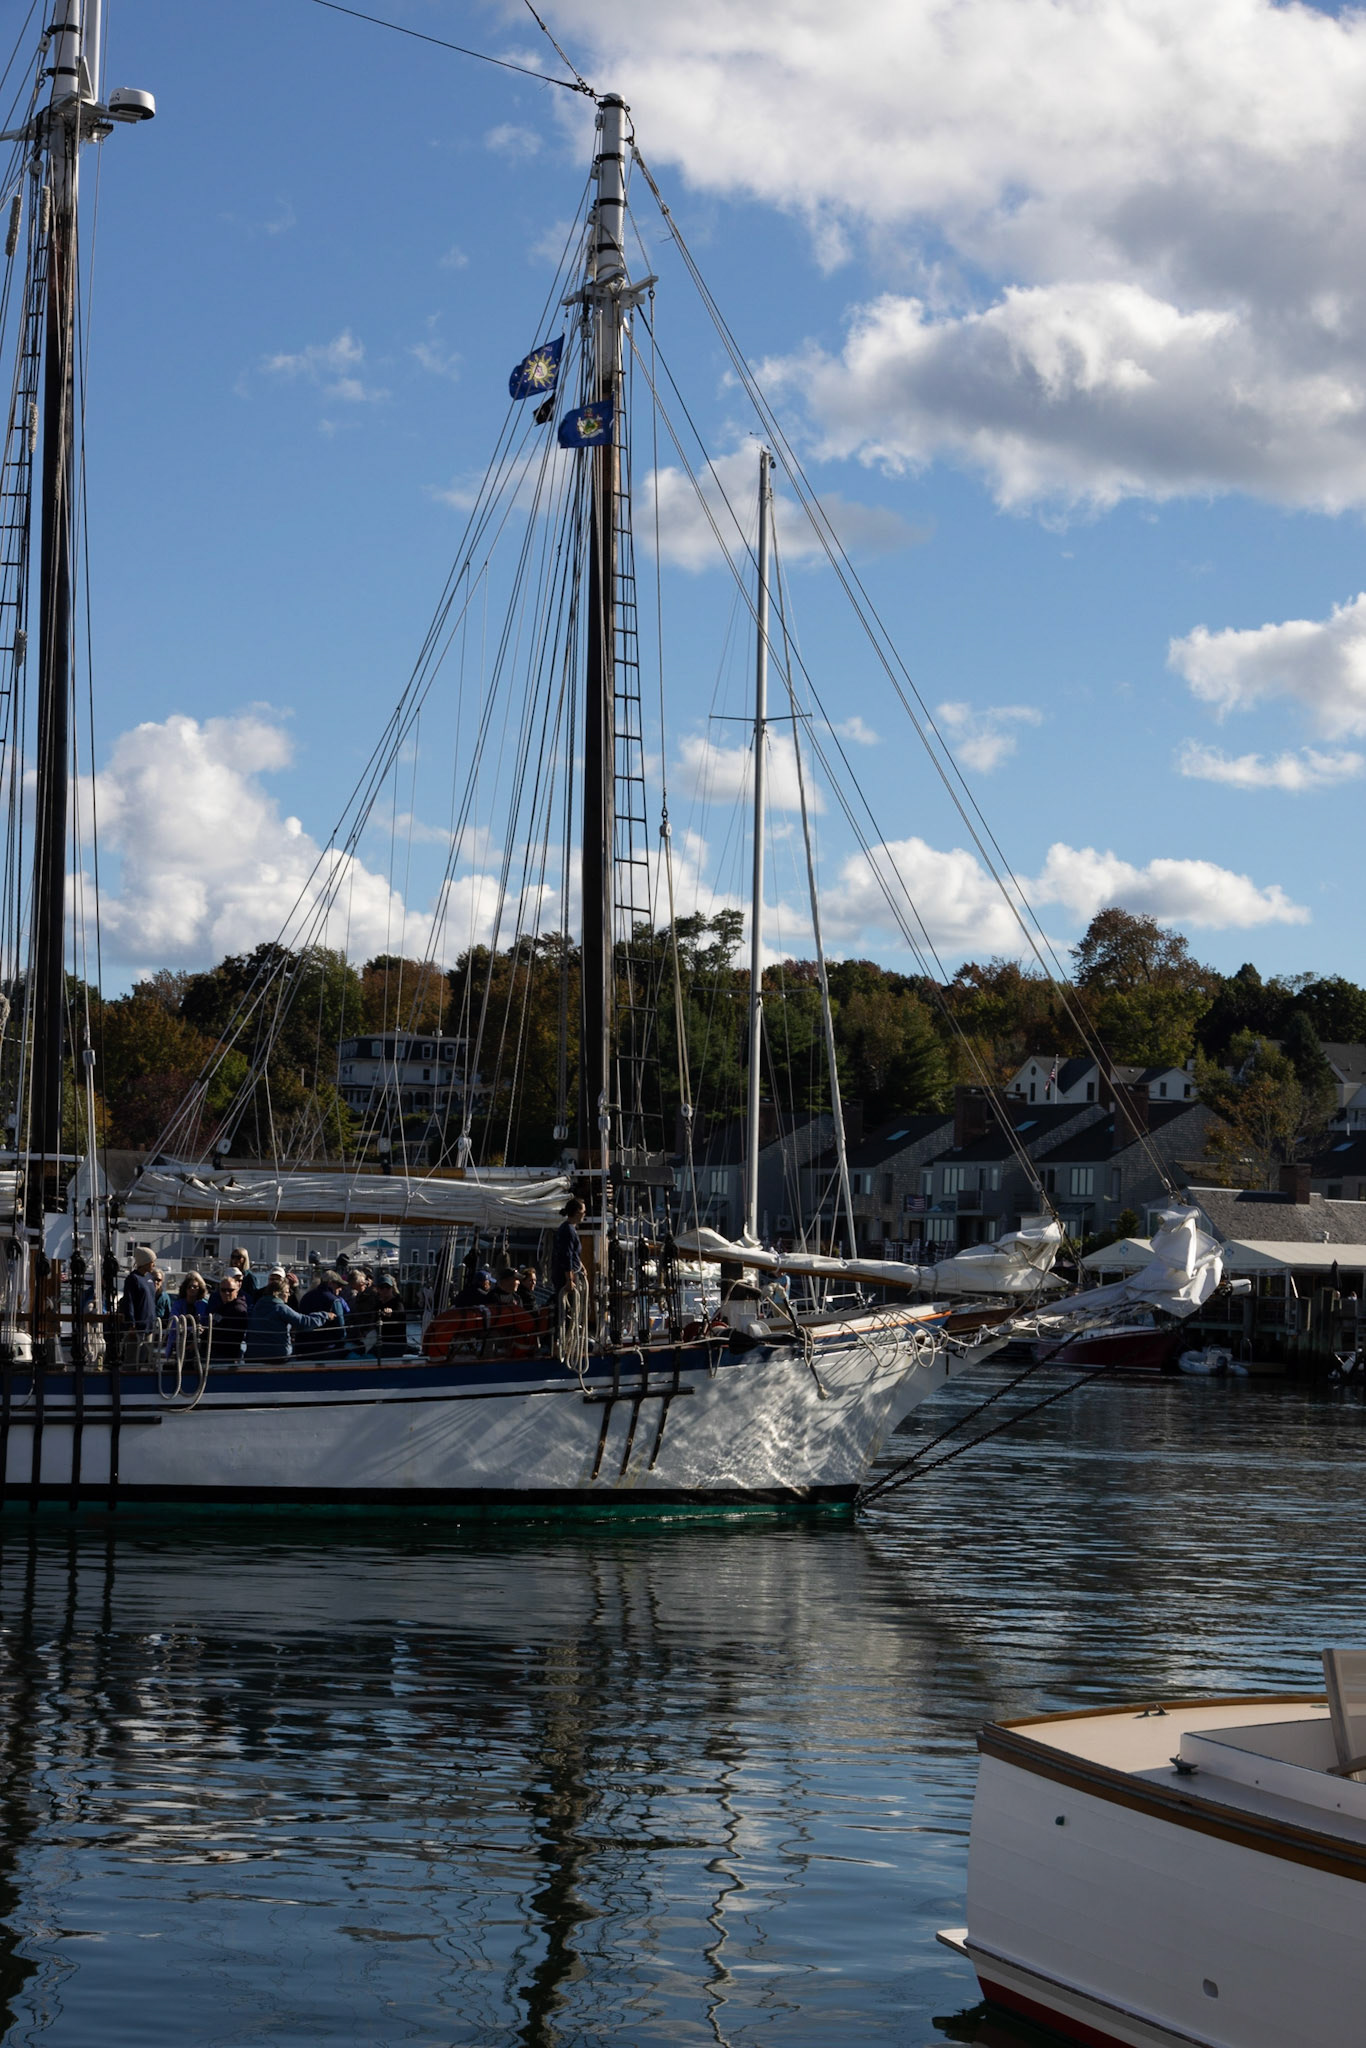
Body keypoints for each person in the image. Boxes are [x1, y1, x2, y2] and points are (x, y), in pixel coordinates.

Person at [244, 1271, 337, 1364]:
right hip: (277, 1356)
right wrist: (325, 1315)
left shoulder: (257, 1305)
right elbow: (303, 1322)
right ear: (278, 1293)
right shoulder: (280, 1308)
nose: (289, 1295)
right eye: (287, 1292)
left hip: (253, 1355)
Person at [298, 1268, 348, 1356]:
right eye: (338, 1285)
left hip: (305, 1348)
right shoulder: (334, 1301)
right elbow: (341, 1328)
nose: (340, 1289)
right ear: (330, 1283)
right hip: (328, 1349)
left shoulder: (306, 1297)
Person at [119, 1248, 157, 1358]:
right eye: (152, 1262)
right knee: (132, 1358)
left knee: (145, 1357)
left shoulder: (150, 1278)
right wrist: (132, 1323)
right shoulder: (133, 1278)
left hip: (149, 1325)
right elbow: (129, 1301)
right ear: (144, 1262)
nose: (154, 1265)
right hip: (137, 1327)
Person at [210, 1273, 250, 1357]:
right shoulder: (221, 1307)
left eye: (230, 1290)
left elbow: (229, 1335)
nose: (226, 1293)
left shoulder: (238, 1310)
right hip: (214, 1349)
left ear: (236, 1291)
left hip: (225, 1354)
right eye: (223, 1290)